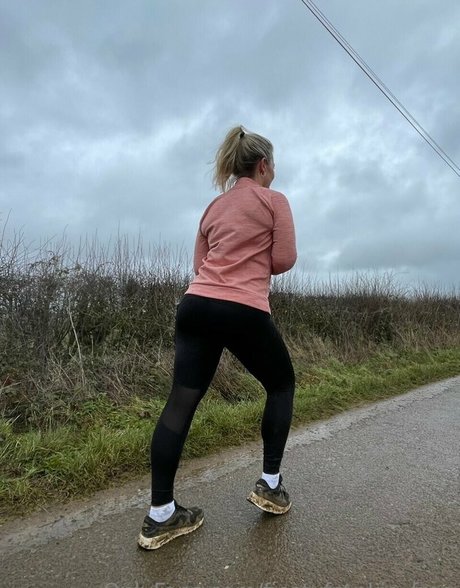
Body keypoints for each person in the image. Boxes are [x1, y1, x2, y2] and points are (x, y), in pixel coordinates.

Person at [138, 125, 297, 550]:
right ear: (262, 165)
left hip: (196, 305)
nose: (274, 173)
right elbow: (284, 259)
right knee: (281, 384)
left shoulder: (213, 207)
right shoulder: (274, 201)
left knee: (180, 402)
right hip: (243, 307)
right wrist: (254, 258)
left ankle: (161, 515)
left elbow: (200, 264)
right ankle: (270, 485)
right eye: (273, 166)